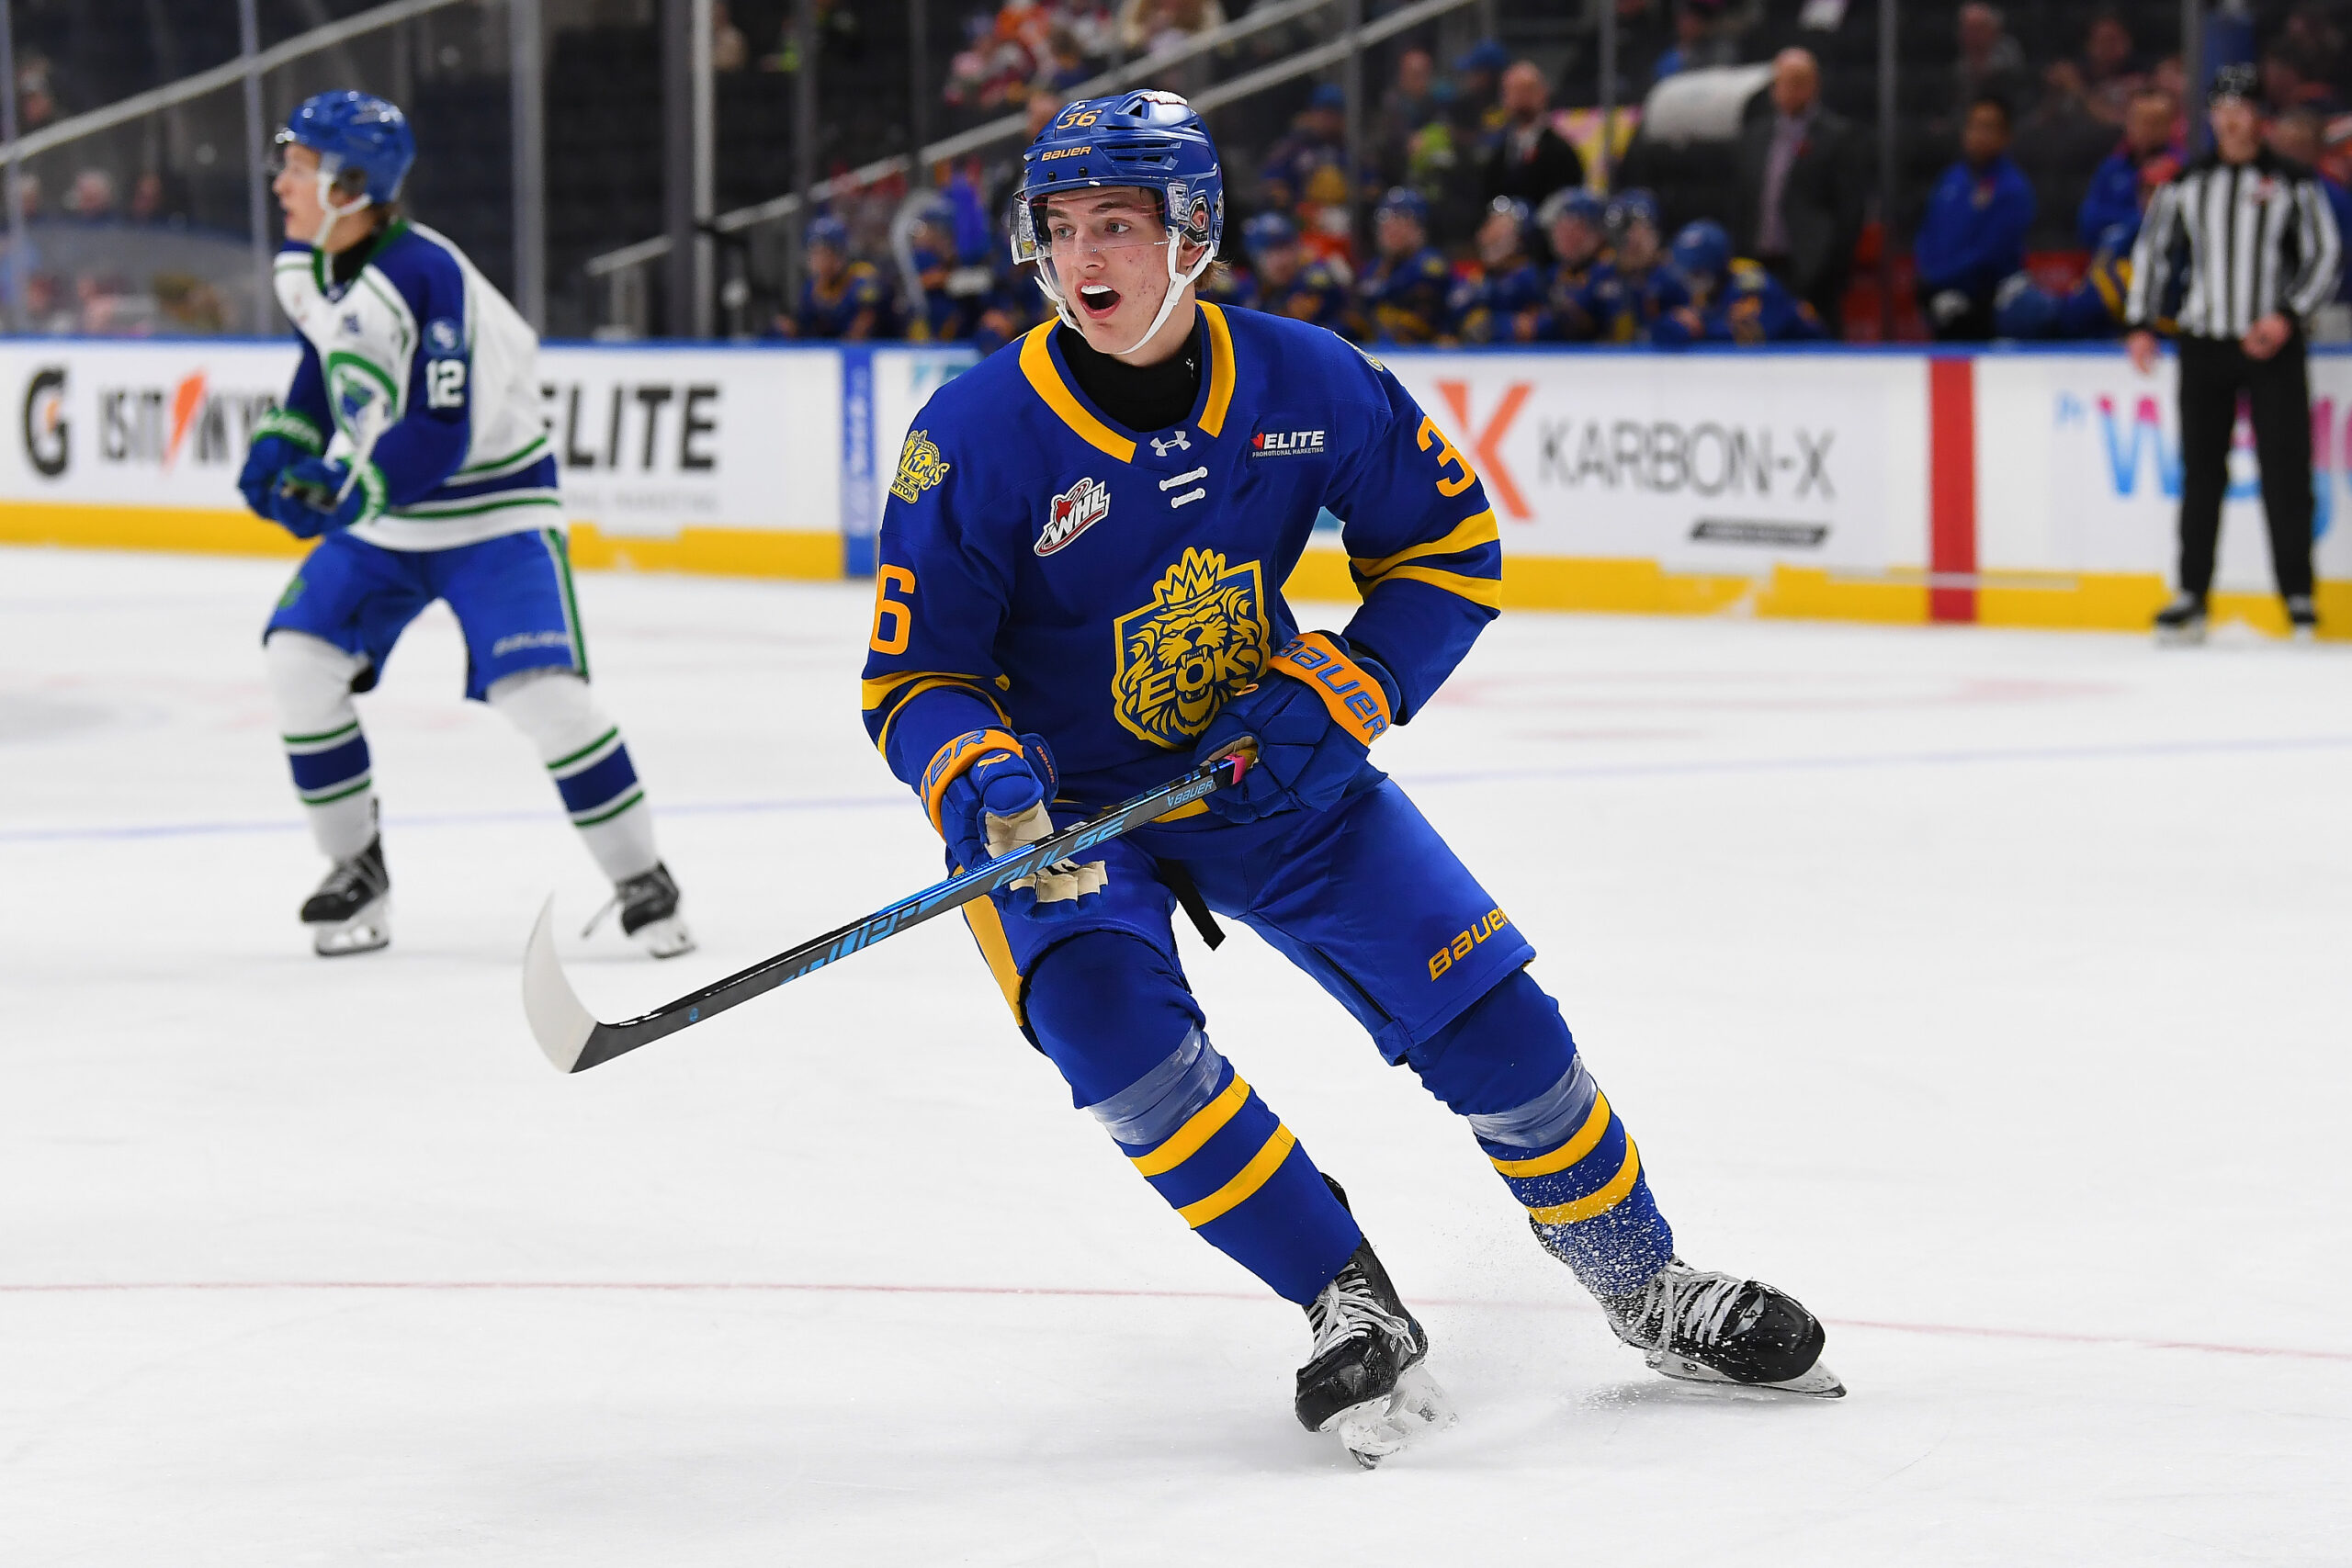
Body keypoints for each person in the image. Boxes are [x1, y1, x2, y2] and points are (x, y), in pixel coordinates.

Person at [861, 86, 1840, 1466]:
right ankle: (1344, 1296)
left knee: (1490, 1011)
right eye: (1062, 228)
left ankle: (1643, 1282)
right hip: (1066, 811)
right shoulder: (971, 436)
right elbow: (914, 677)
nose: (1084, 259)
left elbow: (1446, 544)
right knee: (1105, 1028)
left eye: (1117, 226)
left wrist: (1354, 683)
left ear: (1192, 232)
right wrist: (984, 784)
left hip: (1267, 760)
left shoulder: (1308, 380)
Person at [237, 92, 691, 958]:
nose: (280, 184)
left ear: (350, 185)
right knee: (299, 660)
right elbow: (325, 363)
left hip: (494, 510)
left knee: (544, 695)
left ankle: (643, 876)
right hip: (392, 513)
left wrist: (350, 491)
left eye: (298, 169)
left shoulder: (426, 275)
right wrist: (281, 443)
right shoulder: (312, 265)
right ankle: (354, 866)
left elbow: (440, 431)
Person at [2126, 63, 2341, 644]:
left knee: (2286, 469)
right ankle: (2192, 594)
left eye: (2242, 109)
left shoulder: (2292, 181)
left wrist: (2286, 315)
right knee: (2201, 471)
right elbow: (2153, 252)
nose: (2232, 120)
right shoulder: (2186, 182)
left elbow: (2325, 254)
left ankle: (2297, 595)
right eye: (2222, 109)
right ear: (2209, 117)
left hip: (2271, 344)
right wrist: (2142, 322)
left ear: (2259, 116)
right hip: (2205, 342)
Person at [1732, 48, 1865, 335]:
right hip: (1760, 266)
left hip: (1812, 272)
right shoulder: (1755, 135)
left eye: (1798, 81)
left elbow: (1850, 212)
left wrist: (1828, 266)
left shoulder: (1837, 137)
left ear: (1814, 85)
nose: (1789, 89)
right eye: (1783, 81)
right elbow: (1742, 200)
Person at [1915, 96, 2036, 342]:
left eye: (1988, 127)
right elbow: (1928, 232)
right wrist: (1929, 278)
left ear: (2005, 136)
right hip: (1939, 297)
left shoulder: (2013, 188)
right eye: (1973, 125)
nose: (1978, 134)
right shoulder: (1951, 179)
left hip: (1988, 309)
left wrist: (1943, 277)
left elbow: (1992, 254)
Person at [1654, 219, 1824, 344]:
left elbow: (1751, 335)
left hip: (1813, 357)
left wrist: (1700, 326)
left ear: (1716, 268)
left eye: (1696, 273)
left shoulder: (1753, 283)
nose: (1688, 280)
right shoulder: (1701, 289)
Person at [1578, 188, 1690, 343]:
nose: (1631, 239)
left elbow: (1692, 323)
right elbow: (1576, 326)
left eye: (1640, 231)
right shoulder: (1602, 274)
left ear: (1656, 235)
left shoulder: (1673, 276)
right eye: (1622, 231)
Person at [2077, 87, 2180, 250]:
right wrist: (2136, 220)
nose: (2147, 129)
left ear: (2169, 125)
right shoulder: (2112, 167)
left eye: (2155, 122)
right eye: (2140, 120)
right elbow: (2089, 221)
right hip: (2113, 258)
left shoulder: (2180, 169)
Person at [1352, 186, 1453, 344]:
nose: (1391, 226)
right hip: (1380, 351)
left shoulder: (1429, 264)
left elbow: (1422, 321)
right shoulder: (1373, 267)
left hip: (1425, 353)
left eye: (1402, 218)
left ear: (1419, 228)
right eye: (1385, 217)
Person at [1479, 62, 1584, 212]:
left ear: (1543, 93)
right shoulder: (1497, 153)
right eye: (1512, 91)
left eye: (1526, 90)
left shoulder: (1561, 153)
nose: (1520, 98)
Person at [775, 215, 893, 339]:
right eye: (814, 254)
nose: (818, 261)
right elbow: (807, 330)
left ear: (840, 256)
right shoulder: (810, 289)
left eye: (824, 253)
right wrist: (792, 329)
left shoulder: (862, 279)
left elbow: (860, 332)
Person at [1449, 196, 1546, 343]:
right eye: (1489, 228)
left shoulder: (1530, 279)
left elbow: (1541, 326)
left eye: (1501, 234)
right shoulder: (1472, 278)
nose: (1489, 238)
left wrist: (1498, 326)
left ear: (1520, 241)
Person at [1233, 211, 1347, 330]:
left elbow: (1348, 327)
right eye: (1269, 251)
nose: (1282, 260)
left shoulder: (1317, 284)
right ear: (1253, 256)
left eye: (1287, 248)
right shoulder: (1240, 290)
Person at [1531, 186, 1608, 342]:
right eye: (1558, 229)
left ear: (1596, 233)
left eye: (1574, 229)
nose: (1561, 237)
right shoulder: (1552, 274)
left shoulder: (1610, 272)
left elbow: (1581, 324)